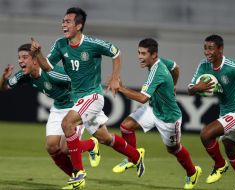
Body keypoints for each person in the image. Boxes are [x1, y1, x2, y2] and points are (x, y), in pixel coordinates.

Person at [30, 7, 145, 189]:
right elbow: (48, 67)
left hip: (93, 96)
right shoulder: (60, 44)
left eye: (68, 21)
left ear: (79, 25)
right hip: (79, 100)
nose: (63, 24)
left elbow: (116, 52)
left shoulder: (92, 44)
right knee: (106, 139)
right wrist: (37, 54)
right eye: (63, 21)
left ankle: (79, 174)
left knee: (67, 124)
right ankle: (137, 156)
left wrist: (115, 78)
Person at [0, 43, 101, 190]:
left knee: (65, 148)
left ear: (35, 60)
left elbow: (78, 81)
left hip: (74, 108)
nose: (20, 61)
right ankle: (76, 179)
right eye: (19, 58)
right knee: (52, 147)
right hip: (58, 108)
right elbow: (4, 88)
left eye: (25, 57)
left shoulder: (52, 73)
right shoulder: (23, 75)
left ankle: (92, 144)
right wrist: (3, 78)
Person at [112, 38, 202, 190]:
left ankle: (193, 172)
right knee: (126, 126)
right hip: (153, 108)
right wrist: (174, 85)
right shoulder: (161, 62)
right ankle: (133, 157)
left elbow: (142, 98)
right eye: (139, 53)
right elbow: (176, 68)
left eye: (143, 53)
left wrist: (120, 88)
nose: (140, 57)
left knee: (173, 149)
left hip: (169, 118)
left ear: (154, 55)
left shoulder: (157, 71)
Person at [188, 34, 235, 190]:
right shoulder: (203, 65)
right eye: (205, 48)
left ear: (220, 49)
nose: (207, 52)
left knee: (206, 134)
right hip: (225, 113)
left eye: (211, 48)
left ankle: (220, 164)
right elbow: (191, 89)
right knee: (230, 148)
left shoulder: (232, 66)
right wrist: (197, 88)